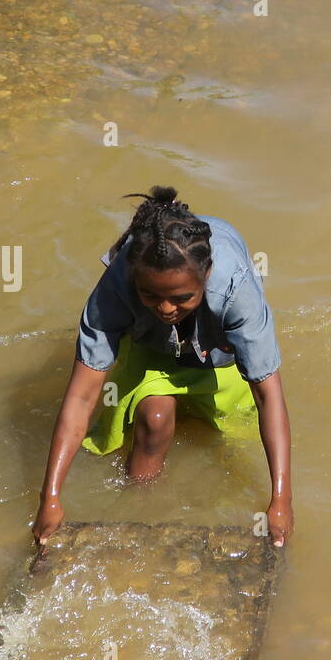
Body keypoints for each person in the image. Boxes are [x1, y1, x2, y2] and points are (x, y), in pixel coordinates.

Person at [32, 185, 293, 547]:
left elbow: (268, 396)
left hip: (220, 352)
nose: (167, 309)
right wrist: (51, 499)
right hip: (152, 348)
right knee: (153, 422)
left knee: (228, 436)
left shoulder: (236, 291)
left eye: (181, 298)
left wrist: (281, 501)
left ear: (207, 275)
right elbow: (81, 397)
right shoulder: (117, 286)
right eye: (151, 296)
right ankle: (143, 512)